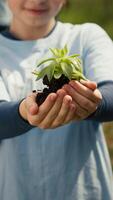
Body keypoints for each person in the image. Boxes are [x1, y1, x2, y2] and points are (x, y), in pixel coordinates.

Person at [0, 0, 113, 199]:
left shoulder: (86, 36)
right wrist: (25, 112)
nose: (38, 0)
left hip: (86, 191)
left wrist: (94, 104)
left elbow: (110, 92)